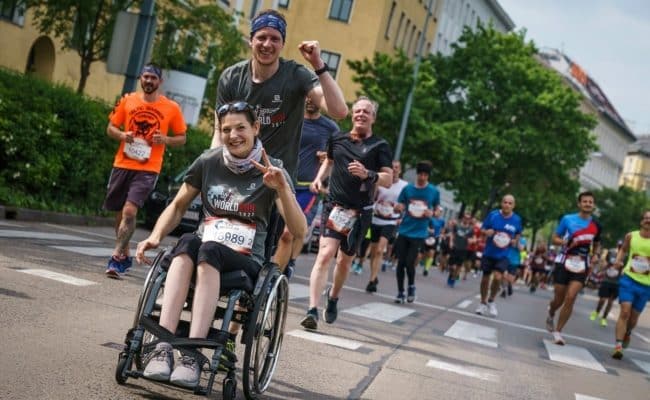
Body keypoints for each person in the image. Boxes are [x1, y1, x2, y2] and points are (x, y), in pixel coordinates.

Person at [136, 101, 306, 388]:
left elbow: (299, 230)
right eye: (226, 129)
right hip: (206, 246)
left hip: (245, 259)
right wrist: (155, 236)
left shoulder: (273, 170)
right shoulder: (209, 161)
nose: (233, 135)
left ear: (255, 128)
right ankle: (163, 349)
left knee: (207, 249)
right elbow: (178, 205)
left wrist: (282, 189)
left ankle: (191, 355)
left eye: (241, 127)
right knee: (188, 242)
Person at [211, 8, 348, 176]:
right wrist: (214, 169)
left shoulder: (297, 75)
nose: (267, 44)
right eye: (261, 37)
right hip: (238, 175)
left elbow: (339, 111)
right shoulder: (232, 77)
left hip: (278, 180)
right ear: (251, 40)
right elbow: (219, 130)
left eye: (275, 39)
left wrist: (318, 64)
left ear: (282, 44)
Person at [300, 96, 393, 330]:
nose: (361, 114)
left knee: (343, 261)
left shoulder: (379, 146)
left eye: (367, 112)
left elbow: (388, 179)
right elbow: (329, 161)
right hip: (334, 205)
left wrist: (367, 174)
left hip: (361, 213)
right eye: (358, 110)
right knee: (324, 255)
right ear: (352, 114)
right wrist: (318, 179)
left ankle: (333, 298)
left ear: (374, 118)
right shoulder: (338, 138)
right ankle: (312, 309)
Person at [103, 63, 187, 278]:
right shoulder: (128, 100)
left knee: (130, 211)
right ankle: (124, 251)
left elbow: (182, 138)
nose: (149, 81)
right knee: (120, 212)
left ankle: (115, 258)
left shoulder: (171, 108)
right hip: (122, 164)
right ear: (141, 78)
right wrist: (122, 135)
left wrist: (166, 139)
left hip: (148, 168)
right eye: (146, 77)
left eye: (153, 78)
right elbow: (111, 128)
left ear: (160, 81)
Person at [273, 94, 339, 276]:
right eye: (307, 97)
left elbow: (335, 159)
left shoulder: (330, 128)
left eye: (315, 98)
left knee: (289, 232)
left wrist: (327, 157)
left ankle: (281, 271)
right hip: (281, 183)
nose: (310, 101)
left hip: (307, 188)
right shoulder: (290, 119)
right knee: (274, 231)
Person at [546, 191, 601, 345]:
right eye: (585, 201)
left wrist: (596, 254)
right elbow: (555, 238)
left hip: (582, 264)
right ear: (579, 204)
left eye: (590, 202)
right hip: (564, 261)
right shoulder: (567, 219)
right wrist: (564, 242)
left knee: (570, 298)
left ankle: (558, 332)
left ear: (593, 205)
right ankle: (551, 312)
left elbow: (597, 243)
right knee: (559, 298)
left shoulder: (596, 224)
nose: (588, 204)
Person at [392, 161, 440, 303]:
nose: (423, 177)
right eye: (421, 174)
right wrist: (398, 208)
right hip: (405, 229)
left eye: (425, 175)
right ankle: (400, 292)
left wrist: (432, 213)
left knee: (409, 262)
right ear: (417, 174)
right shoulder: (408, 189)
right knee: (401, 263)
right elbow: (398, 205)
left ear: (428, 176)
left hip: (419, 233)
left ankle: (411, 286)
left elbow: (438, 210)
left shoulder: (433, 191)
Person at [475, 194, 522, 317]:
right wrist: (487, 232)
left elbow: (518, 234)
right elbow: (483, 229)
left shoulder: (516, 220)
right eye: (505, 202)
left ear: (513, 205)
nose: (507, 205)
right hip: (489, 252)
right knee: (485, 279)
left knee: (497, 277)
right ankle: (482, 302)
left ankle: (491, 300)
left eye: (510, 203)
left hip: (504, 254)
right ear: (501, 203)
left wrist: (515, 241)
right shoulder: (493, 215)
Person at [612, 211, 650, 360]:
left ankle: (627, 333)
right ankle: (618, 346)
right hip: (629, 279)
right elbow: (623, 249)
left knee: (633, 319)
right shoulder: (631, 236)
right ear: (641, 221)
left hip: (646, 285)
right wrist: (618, 260)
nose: (648, 220)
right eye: (646, 218)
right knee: (625, 312)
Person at [365, 160, 408, 293]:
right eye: (392, 167)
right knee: (373, 251)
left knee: (379, 249)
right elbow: (372, 197)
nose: (394, 170)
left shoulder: (404, 186)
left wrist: (401, 208)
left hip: (391, 221)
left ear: (400, 170)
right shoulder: (381, 180)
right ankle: (374, 275)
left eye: (396, 168)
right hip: (376, 218)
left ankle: (372, 281)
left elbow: (406, 203)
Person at [590, 247, 620, 327]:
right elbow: (605, 263)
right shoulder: (611, 252)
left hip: (617, 282)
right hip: (606, 280)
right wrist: (600, 271)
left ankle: (604, 318)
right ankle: (596, 312)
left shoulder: (626, 256)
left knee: (610, 302)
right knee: (602, 300)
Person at [447, 212, 475, 288]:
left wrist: (471, 240)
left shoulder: (471, 229)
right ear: (463, 218)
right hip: (455, 247)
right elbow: (452, 234)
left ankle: (453, 279)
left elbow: (474, 238)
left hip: (463, 249)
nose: (466, 219)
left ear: (470, 220)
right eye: (465, 218)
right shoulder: (457, 225)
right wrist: (451, 242)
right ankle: (451, 274)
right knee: (451, 266)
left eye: (468, 218)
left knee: (458, 266)